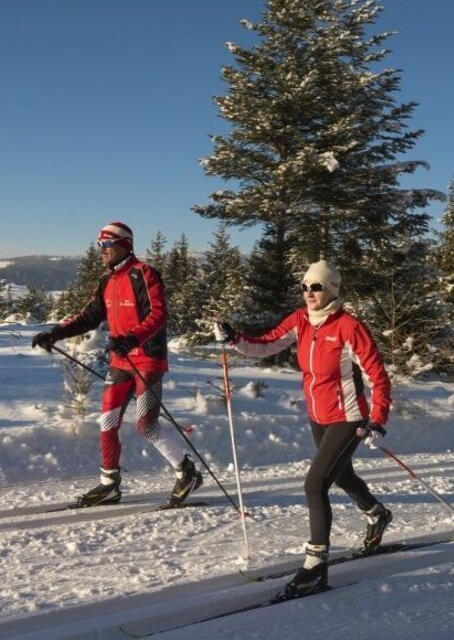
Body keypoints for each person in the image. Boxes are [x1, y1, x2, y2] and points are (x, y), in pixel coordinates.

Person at [214, 259, 392, 599]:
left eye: (316, 287)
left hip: (348, 416)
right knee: (341, 475)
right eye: (305, 287)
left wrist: (378, 419)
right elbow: (265, 345)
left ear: (332, 290)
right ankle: (377, 513)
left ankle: (315, 566)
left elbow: (377, 375)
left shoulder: (349, 326)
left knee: (314, 485)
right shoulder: (300, 320)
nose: (309, 293)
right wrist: (234, 337)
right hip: (318, 415)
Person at [32, 221, 202, 508]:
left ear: (124, 245)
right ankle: (109, 485)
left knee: (146, 426)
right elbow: (89, 316)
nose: (101, 250)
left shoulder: (144, 274)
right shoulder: (106, 280)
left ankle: (187, 473)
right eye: (99, 245)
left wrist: (132, 338)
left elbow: (158, 315)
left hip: (148, 360)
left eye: (106, 245)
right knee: (107, 422)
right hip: (121, 361)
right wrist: (55, 333)